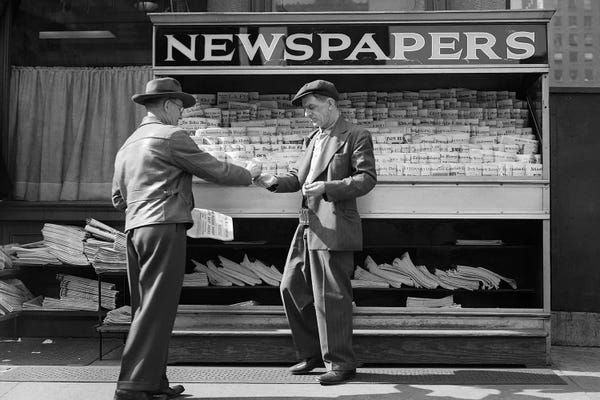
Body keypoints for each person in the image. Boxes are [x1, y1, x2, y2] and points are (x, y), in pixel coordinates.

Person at [111, 77, 260, 400]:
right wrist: (250, 172)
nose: (181, 114)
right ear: (166, 105)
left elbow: (117, 198)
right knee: (158, 308)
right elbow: (215, 170)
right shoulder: (171, 136)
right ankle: (132, 387)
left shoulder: (129, 143)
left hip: (135, 229)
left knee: (145, 307)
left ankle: (154, 381)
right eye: (179, 107)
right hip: (164, 227)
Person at [255, 79, 377, 385]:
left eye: (312, 107)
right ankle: (312, 353)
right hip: (307, 224)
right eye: (305, 109)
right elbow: (297, 178)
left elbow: (367, 179)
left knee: (331, 296)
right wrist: (269, 180)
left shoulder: (356, 135)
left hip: (334, 224)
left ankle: (341, 363)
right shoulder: (313, 137)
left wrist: (328, 187)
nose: (307, 114)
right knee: (290, 287)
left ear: (331, 104)